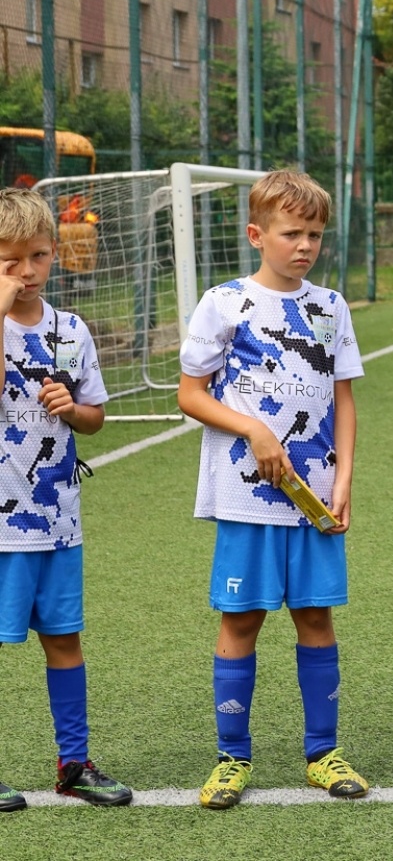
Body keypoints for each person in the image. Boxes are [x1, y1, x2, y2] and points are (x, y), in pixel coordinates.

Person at [177, 171, 366, 809]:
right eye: (292, 233)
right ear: (258, 235)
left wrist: (342, 480)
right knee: (242, 620)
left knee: (315, 616)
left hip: (313, 498)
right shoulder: (223, 302)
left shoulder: (331, 307)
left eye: (314, 234)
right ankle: (232, 757)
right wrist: (254, 430)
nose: (305, 245)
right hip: (245, 495)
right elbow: (190, 394)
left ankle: (323, 752)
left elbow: (343, 398)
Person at [0, 188, 132, 810]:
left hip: (56, 522)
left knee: (65, 641)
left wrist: (72, 408)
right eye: (10, 262)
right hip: (2, 531)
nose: (27, 273)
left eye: (38, 257)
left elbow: (97, 417)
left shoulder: (71, 329)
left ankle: (74, 763)